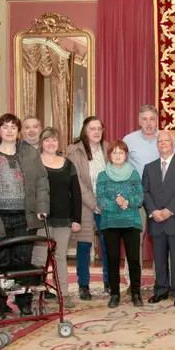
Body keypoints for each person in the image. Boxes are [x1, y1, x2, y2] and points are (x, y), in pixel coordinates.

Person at [0, 113, 49, 317]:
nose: (9, 130)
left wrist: (42, 207)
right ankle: (0, 303)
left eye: (13, 127)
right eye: (5, 126)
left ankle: (24, 303)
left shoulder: (30, 153)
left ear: (18, 130)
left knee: (22, 262)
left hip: (25, 215)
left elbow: (41, 181)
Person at [123, 105, 175, 291]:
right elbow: (122, 168)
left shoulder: (167, 138)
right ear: (139, 121)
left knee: (162, 243)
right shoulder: (128, 140)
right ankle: (134, 284)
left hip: (161, 200)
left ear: (158, 120)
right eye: (144, 119)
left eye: (152, 119)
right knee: (134, 242)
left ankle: (162, 283)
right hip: (136, 200)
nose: (148, 123)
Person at [30, 128, 82, 309]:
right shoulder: (34, 163)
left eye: (54, 140)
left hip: (64, 218)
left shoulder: (67, 164)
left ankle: (64, 293)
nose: (51, 144)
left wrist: (77, 219)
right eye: (47, 140)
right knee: (39, 258)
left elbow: (76, 193)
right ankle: (36, 296)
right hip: (40, 219)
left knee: (60, 257)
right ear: (41, 143)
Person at [143, 131, 175, 306]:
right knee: (159, 258)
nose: (163, 143)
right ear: (157, 145)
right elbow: (145, 191)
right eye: (160, 141)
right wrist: (154, 211)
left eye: (166, 140)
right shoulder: (149, 167)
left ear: (173, 144)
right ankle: (161, 290)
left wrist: (169, 210)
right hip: (156, 220)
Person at [97, 141, 145, 308]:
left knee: (133, 259)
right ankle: (115, 294)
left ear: (126, 155)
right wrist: (118, 204)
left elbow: (140, 197)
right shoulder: (102, 175)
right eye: (114, 153)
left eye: (121, 152)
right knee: (112, 259)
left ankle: (136, 293)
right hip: (110, 223)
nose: (117, 156)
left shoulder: (133, 174)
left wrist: (127, 202)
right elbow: (101, 199)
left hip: (131, 221)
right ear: (109, 155)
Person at [67, 116, 110, 300]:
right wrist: (94, 203)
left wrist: (105, 202)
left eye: (99, 128)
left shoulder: (108, 148)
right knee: (84, 245)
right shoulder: (73, 150)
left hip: (106, 205)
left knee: (108, 245)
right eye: (92, 128)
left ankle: (109, 281)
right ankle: (83, 284)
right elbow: (76, 182)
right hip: (83, 204)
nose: (96, 132)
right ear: (85, 130)